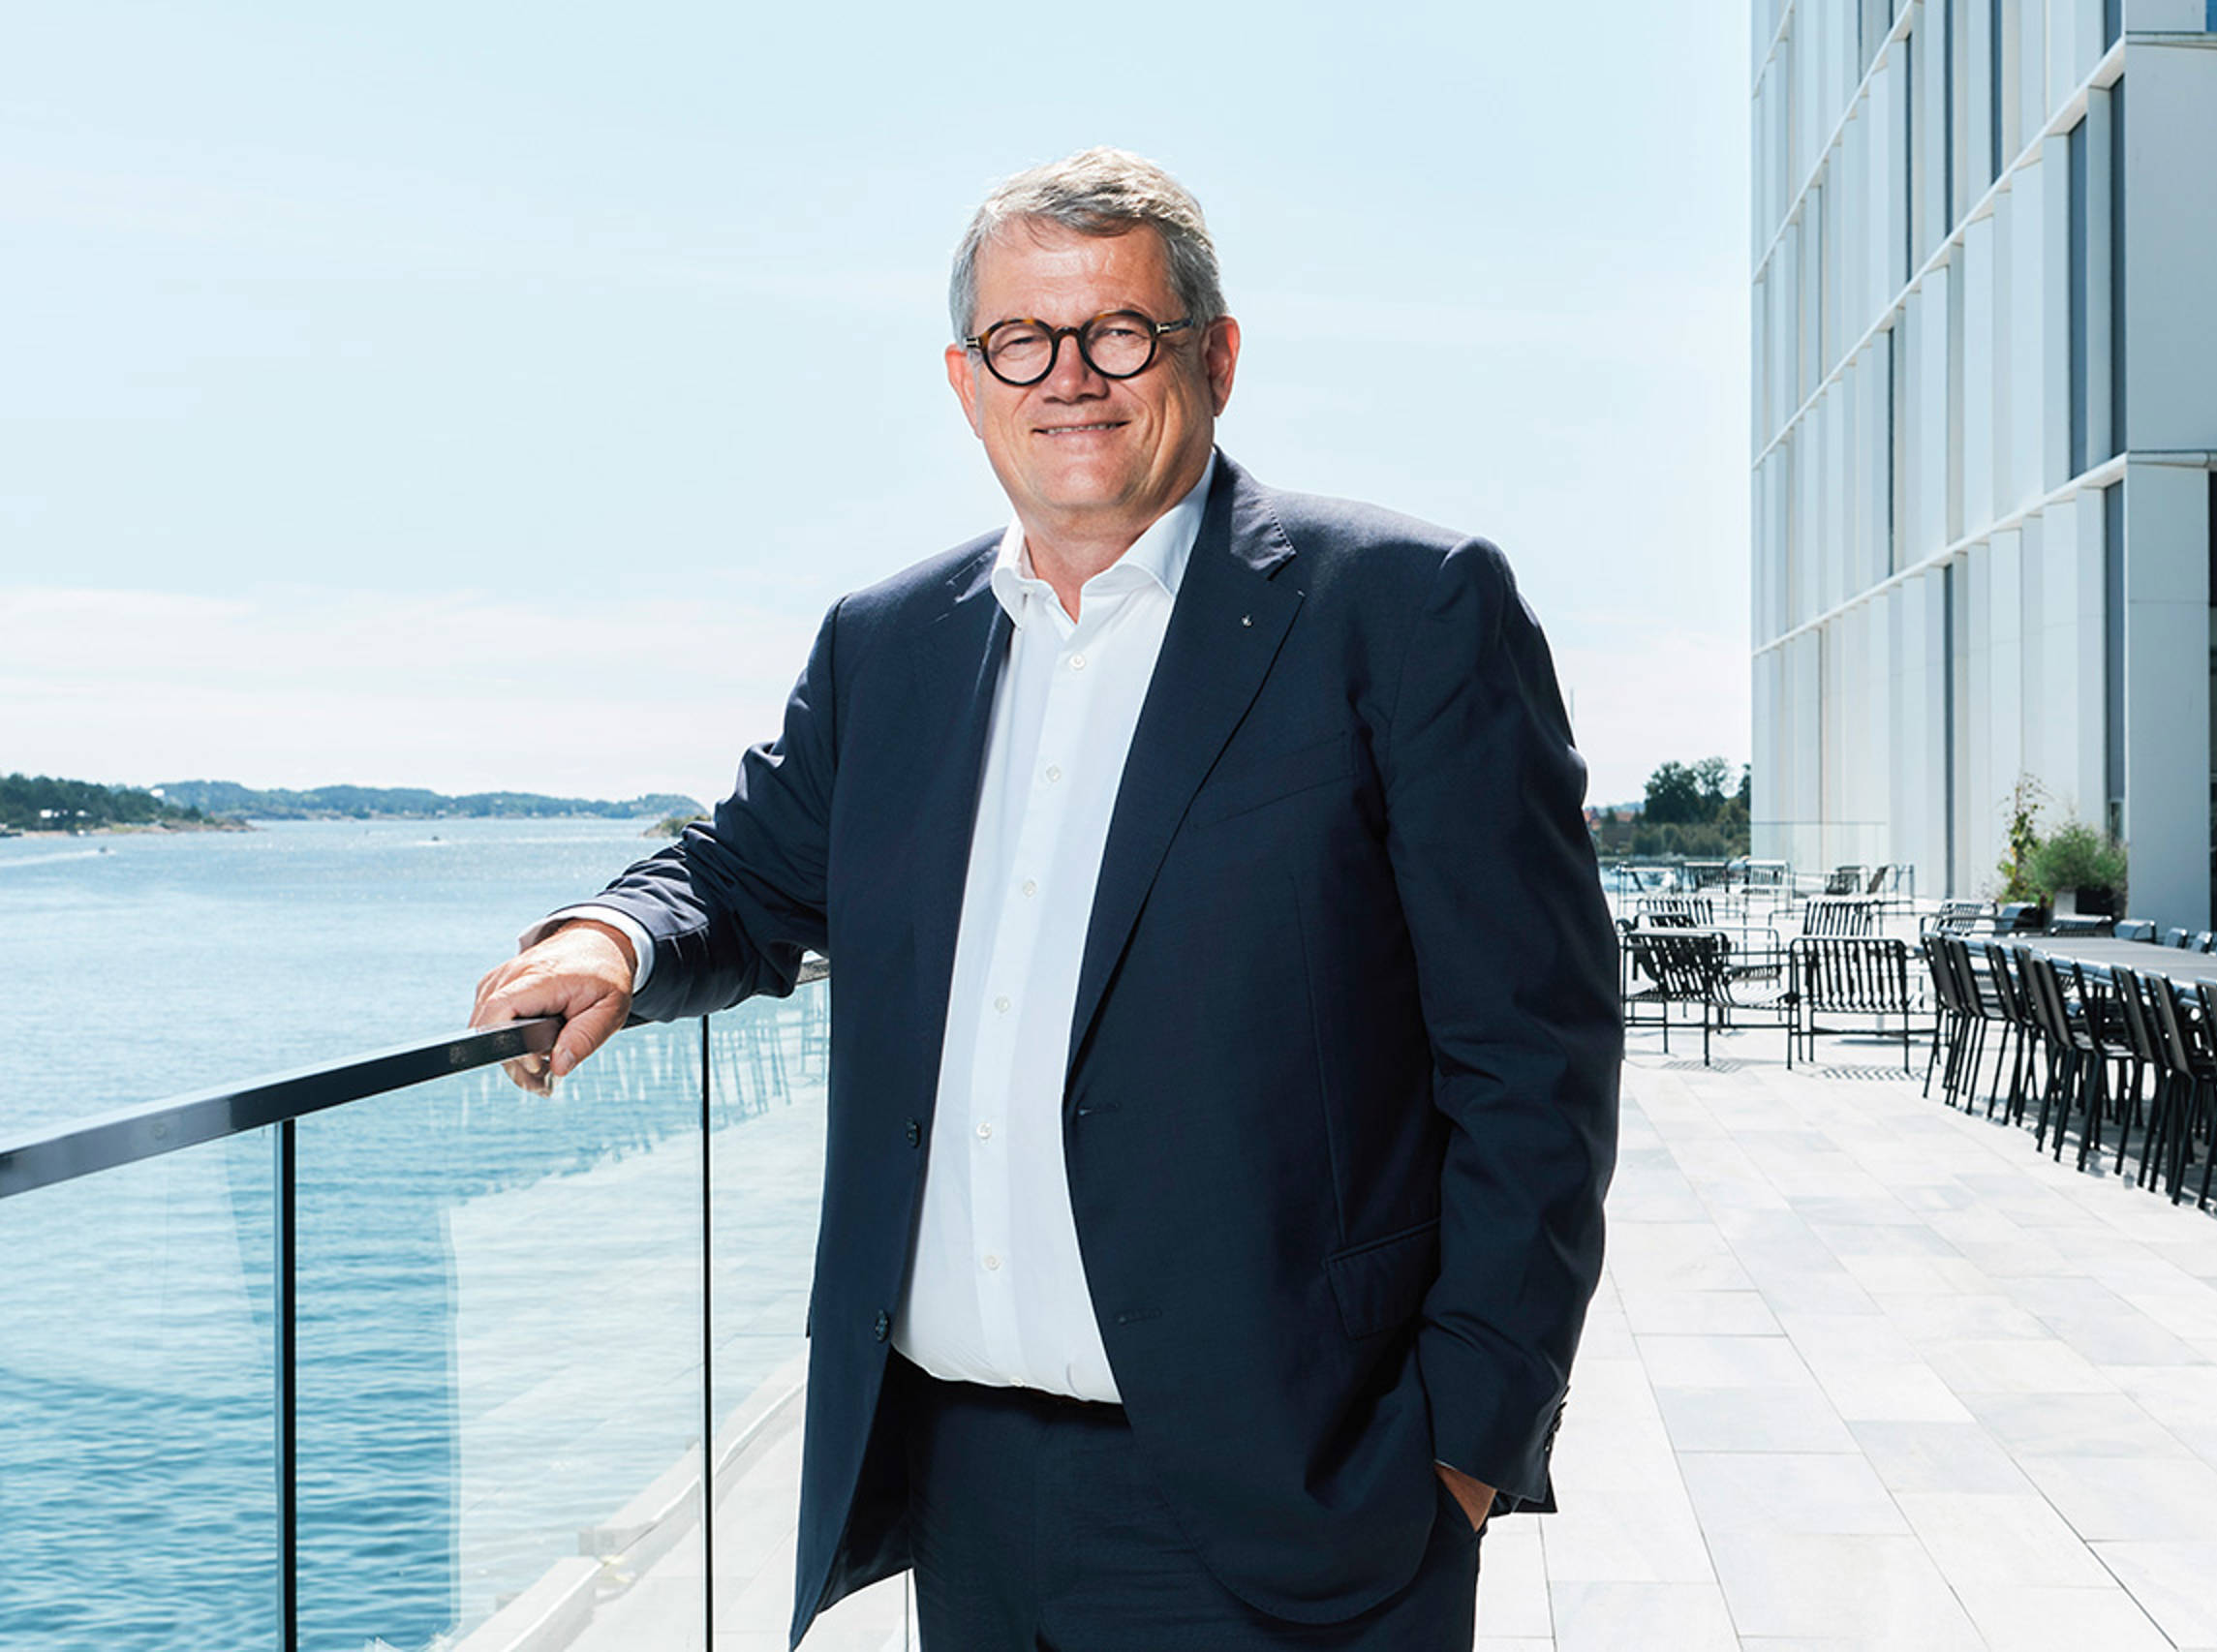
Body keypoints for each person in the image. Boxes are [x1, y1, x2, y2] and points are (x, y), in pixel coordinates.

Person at [470, 147, 1619, 1651]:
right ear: (966, 380)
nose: (1069, 376)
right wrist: (606, 934)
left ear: (1212, 355)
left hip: (1301, 1498)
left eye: (1118, 332)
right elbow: (742, 870)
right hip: (966, 1492)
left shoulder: (1405, 609)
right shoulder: (888, 647)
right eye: (1024, 339)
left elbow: (1535, 1058)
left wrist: (1461, 1446)